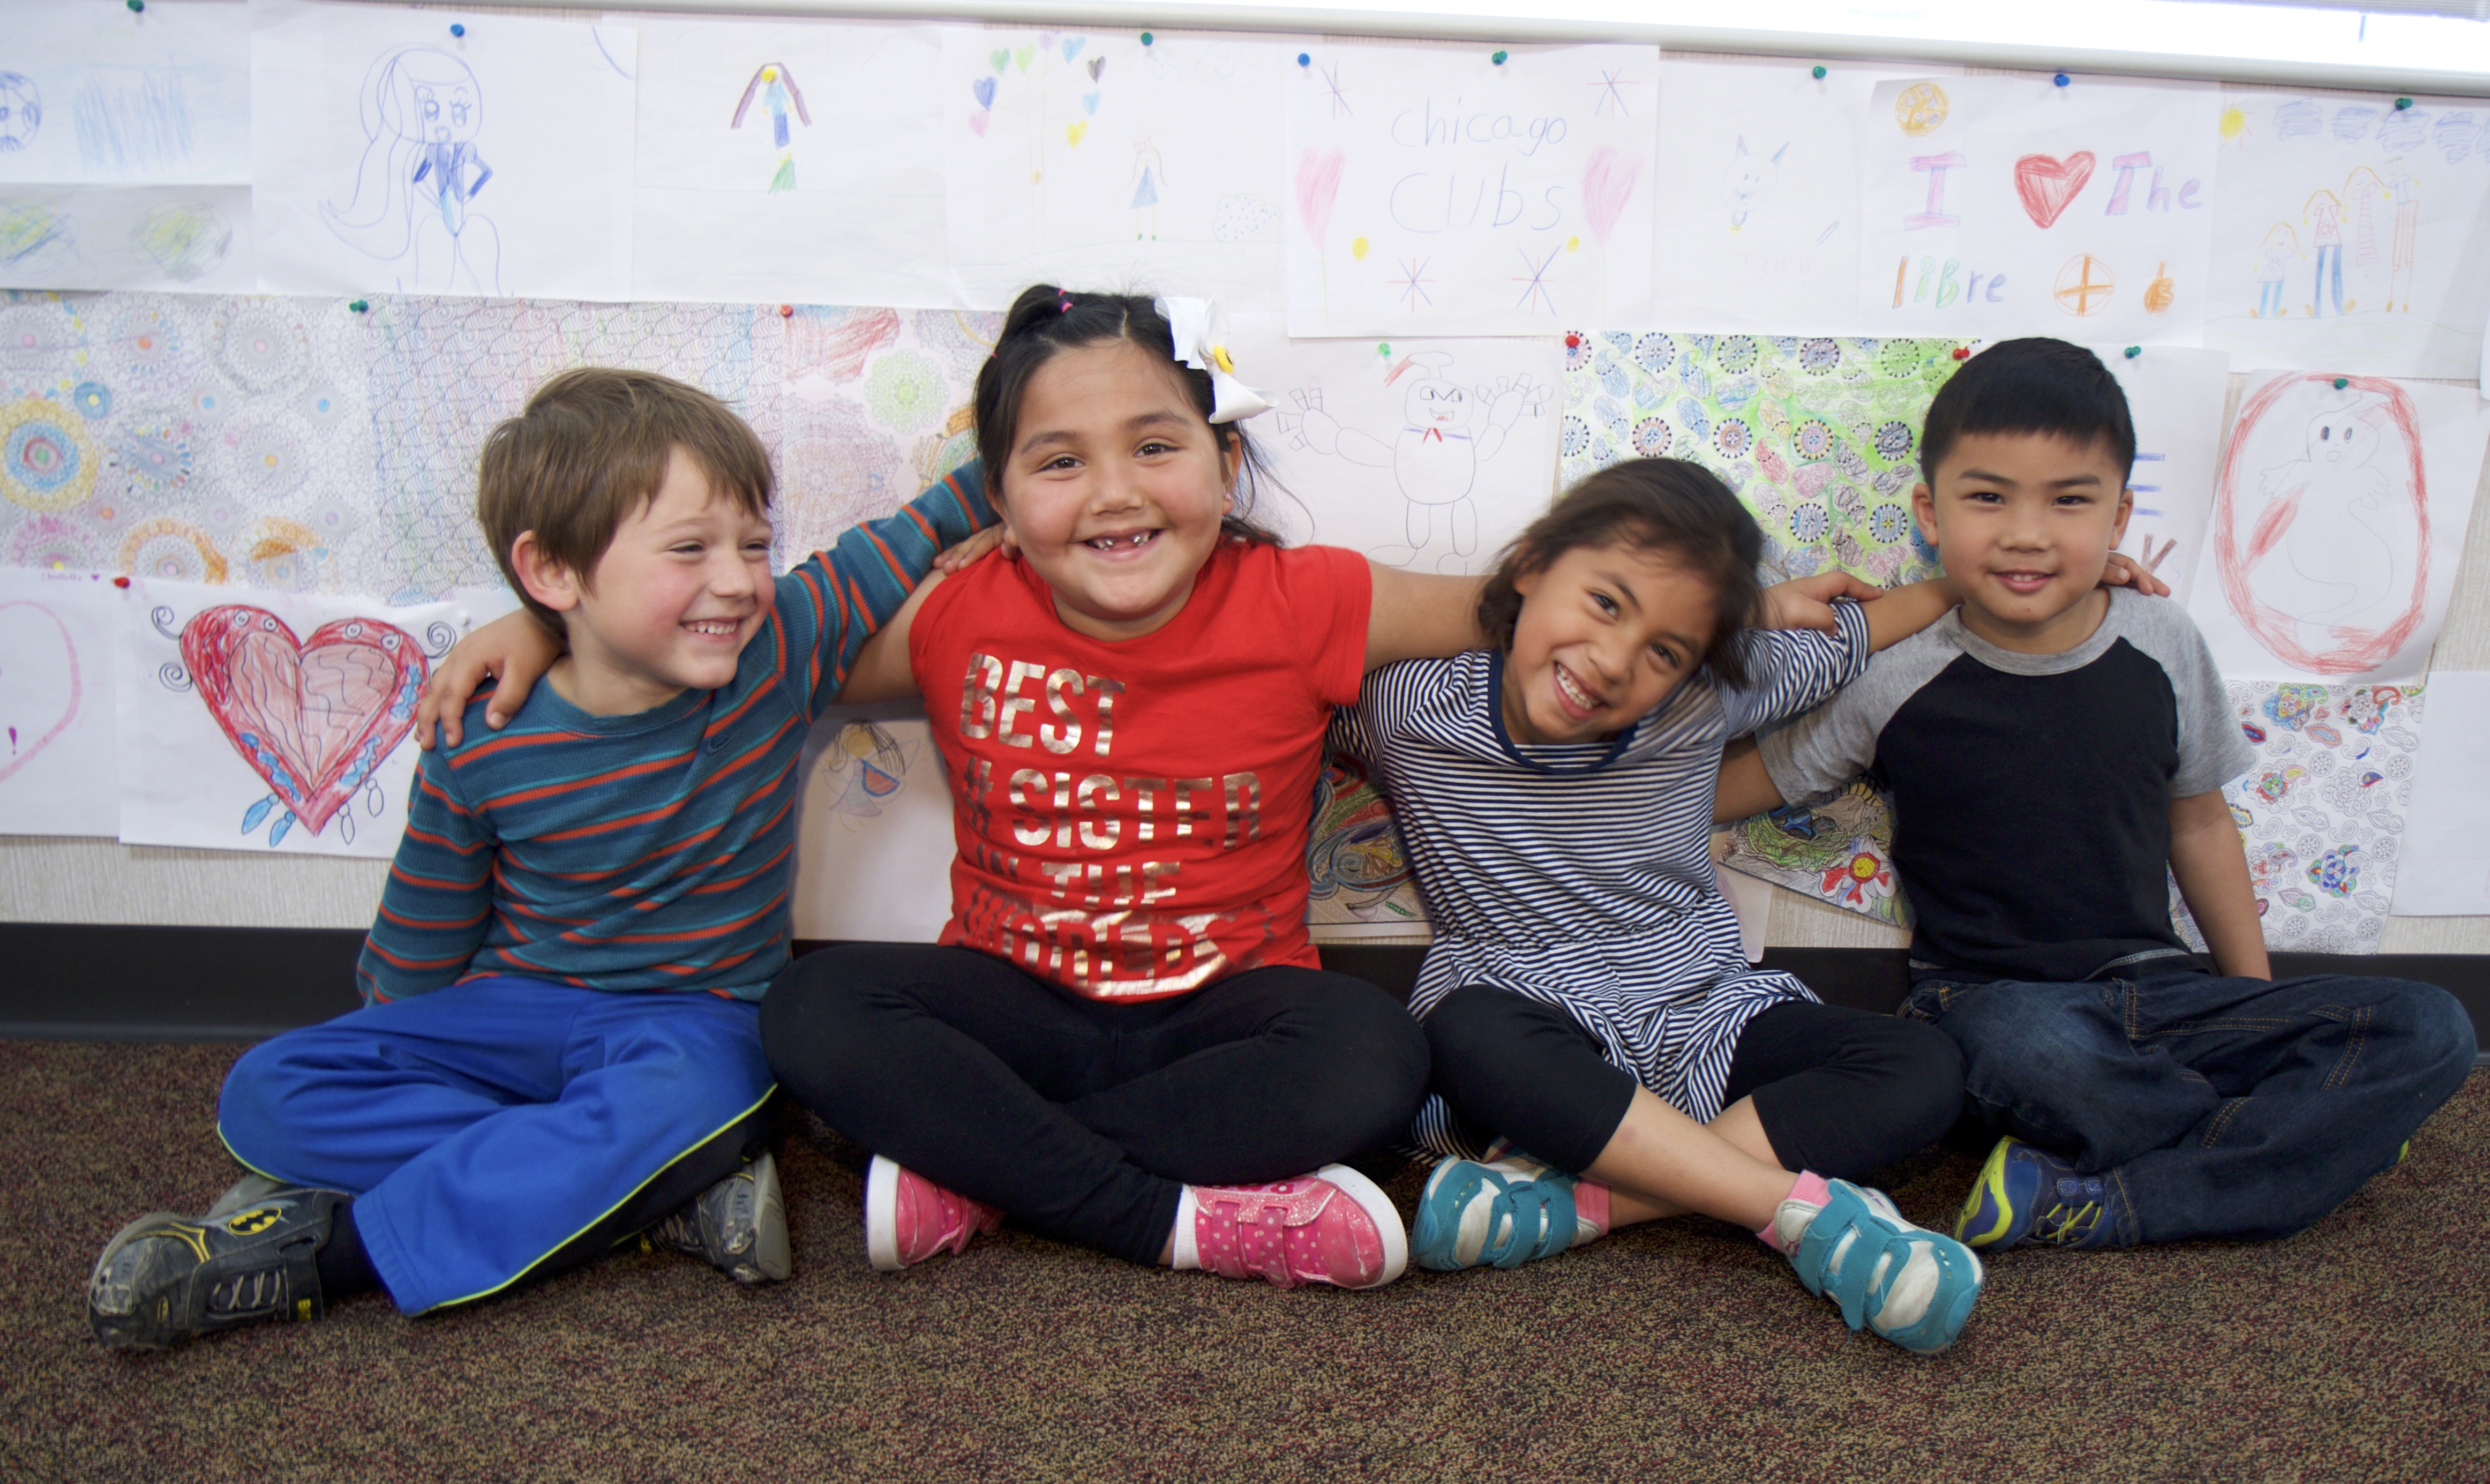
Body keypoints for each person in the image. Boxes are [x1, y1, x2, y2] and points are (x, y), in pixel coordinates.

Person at [85, 368, 995, 1349]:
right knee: (266, 1091)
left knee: (712, 1091)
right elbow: (420, 936)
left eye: (754, 545)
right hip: (514, 1009)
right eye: (690, 548)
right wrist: (395, 1046)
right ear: (553, 573)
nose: (737, 579)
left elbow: (926, 521)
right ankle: (653, 1192)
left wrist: (1103, 441)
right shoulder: (483, 735)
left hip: (691, 1022)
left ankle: (324, 1254)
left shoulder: (785, 640)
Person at [758, 287, 1495, 1292]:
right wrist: (546, 633)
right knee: (812, 1003)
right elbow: (752, 660)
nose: (1113, 492)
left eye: (1155, 447)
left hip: (1224, 1019)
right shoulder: (958, 610)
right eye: (1059, 463)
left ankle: (985, 1171)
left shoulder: (1307, 599)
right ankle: (1173, 1220)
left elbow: (1515, 610)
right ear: (1001, 507)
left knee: (1376, 1052)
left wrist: (1745, 605)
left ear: (1226, 467)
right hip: (1008, 1013)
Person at [1348, 459, 2161, 1354]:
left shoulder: (1714, 692)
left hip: (1703, 1008)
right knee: (1467, 1034)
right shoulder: (1404, 707)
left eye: (1665, 648)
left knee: (1923, 1065)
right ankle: (1797, 1216)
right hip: (1530, 1016)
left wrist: (2055, 588)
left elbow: (1863, 628)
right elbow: (1281, 668)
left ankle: (1583, 1204)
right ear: (1531, 567)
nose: (1612, 662)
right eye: (1605, 603)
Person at [1714, 338, 2476, 1256]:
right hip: (1992, 1004)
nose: (2027, 533)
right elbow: (1736, 788)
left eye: (2069, 501)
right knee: (2027, 1047)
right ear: (1930, 511)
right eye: (1987, 496)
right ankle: (2280, 1147)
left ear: (2118, 515)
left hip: (2164, 997)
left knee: (2430, 1025)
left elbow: (2198, 823)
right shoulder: (1895, 673)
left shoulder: (2159, 639)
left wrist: (2251, 1008)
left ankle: (2104, 1193)